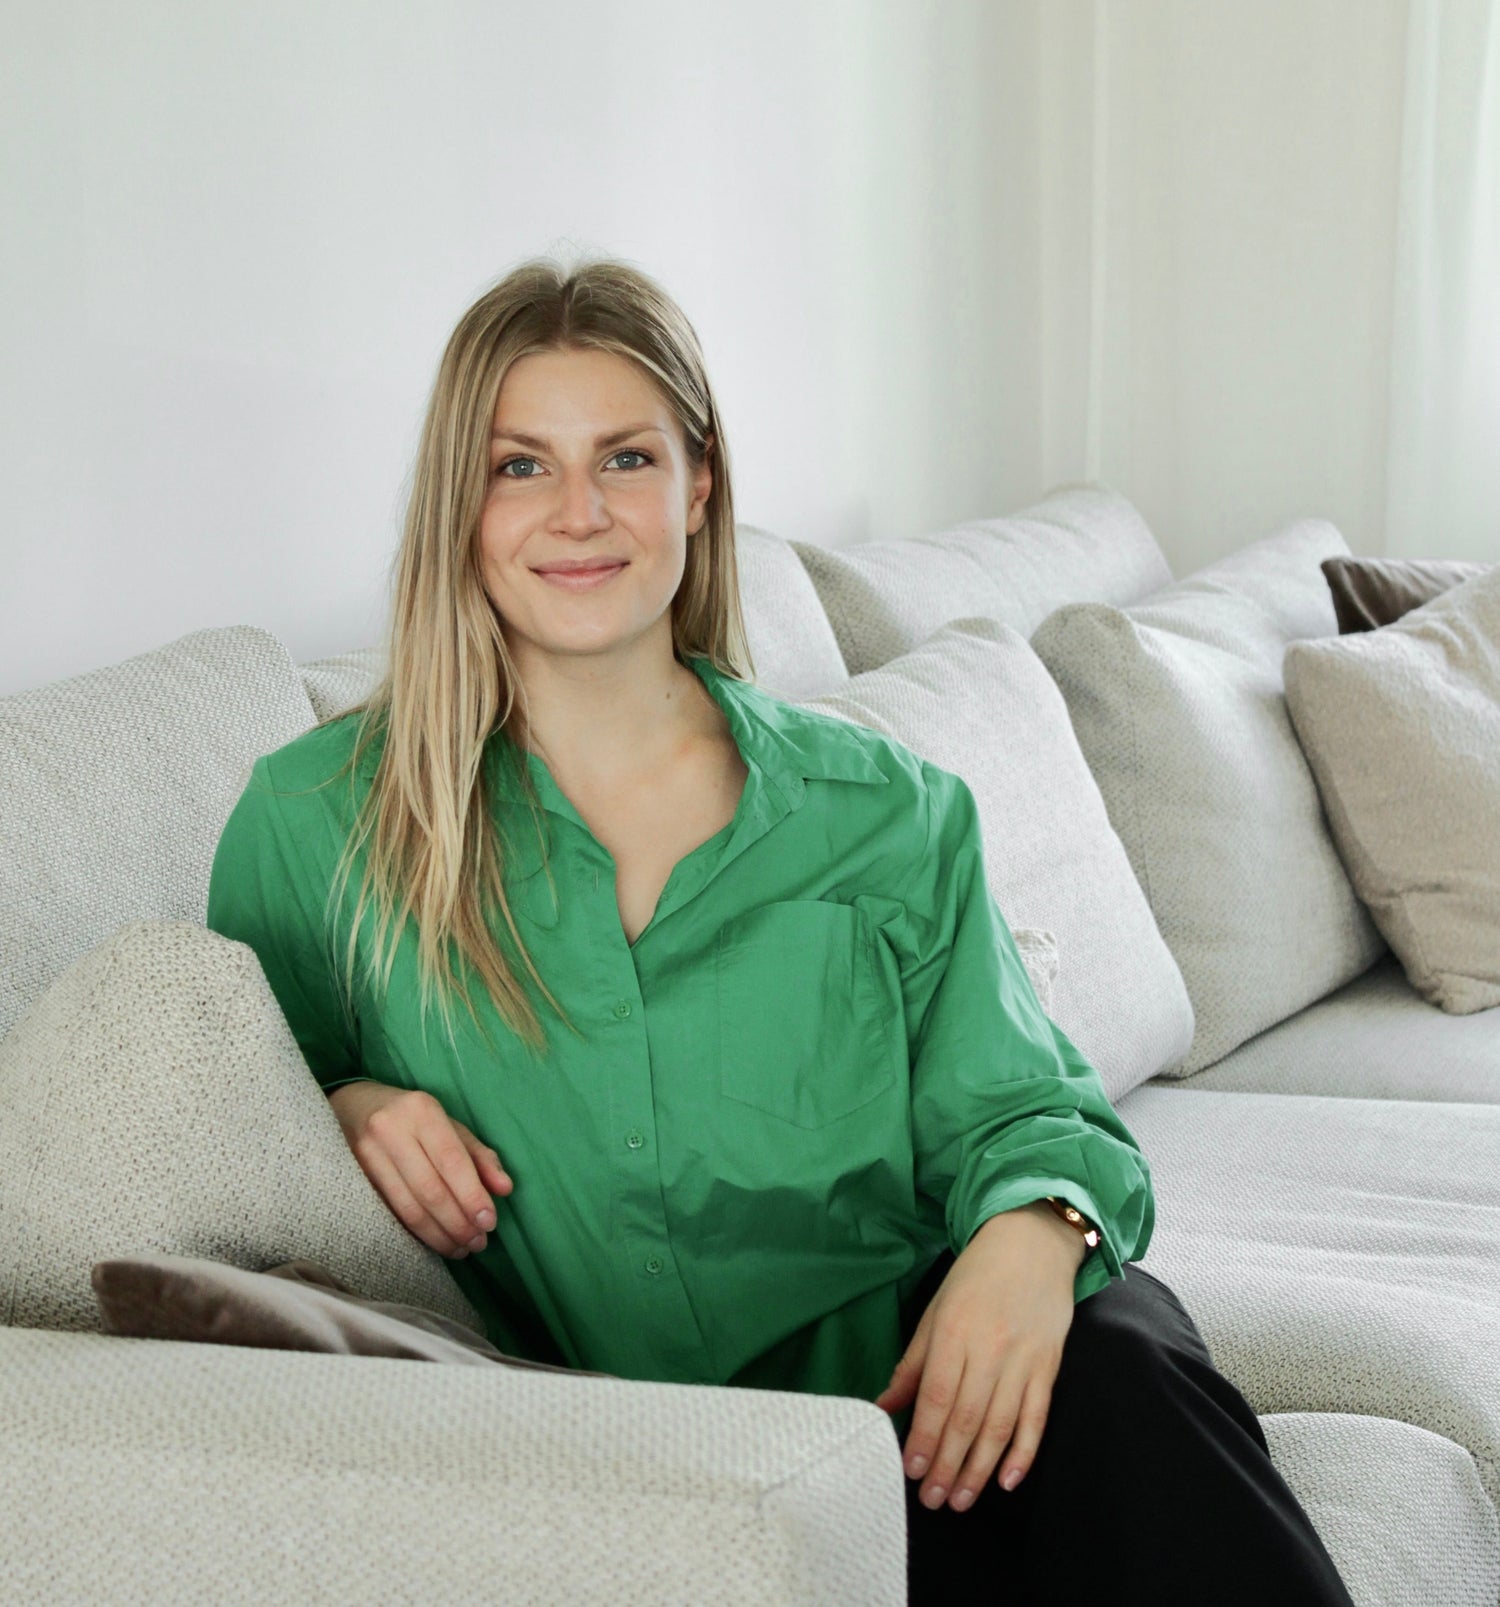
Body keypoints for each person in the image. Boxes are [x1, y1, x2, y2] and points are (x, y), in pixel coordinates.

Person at [205, 255, 1356, 1606]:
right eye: (520, 466)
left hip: (926, 1439)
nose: (578, 513)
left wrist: (1037, 1235)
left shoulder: (887, 814)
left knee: (1121, 1350)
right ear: (460, 499)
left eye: (626, 458)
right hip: (628, 1500)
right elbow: (236, 1134)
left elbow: (1030, 1115)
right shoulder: (318, 824)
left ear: (699, 486)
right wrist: (343, 1106)